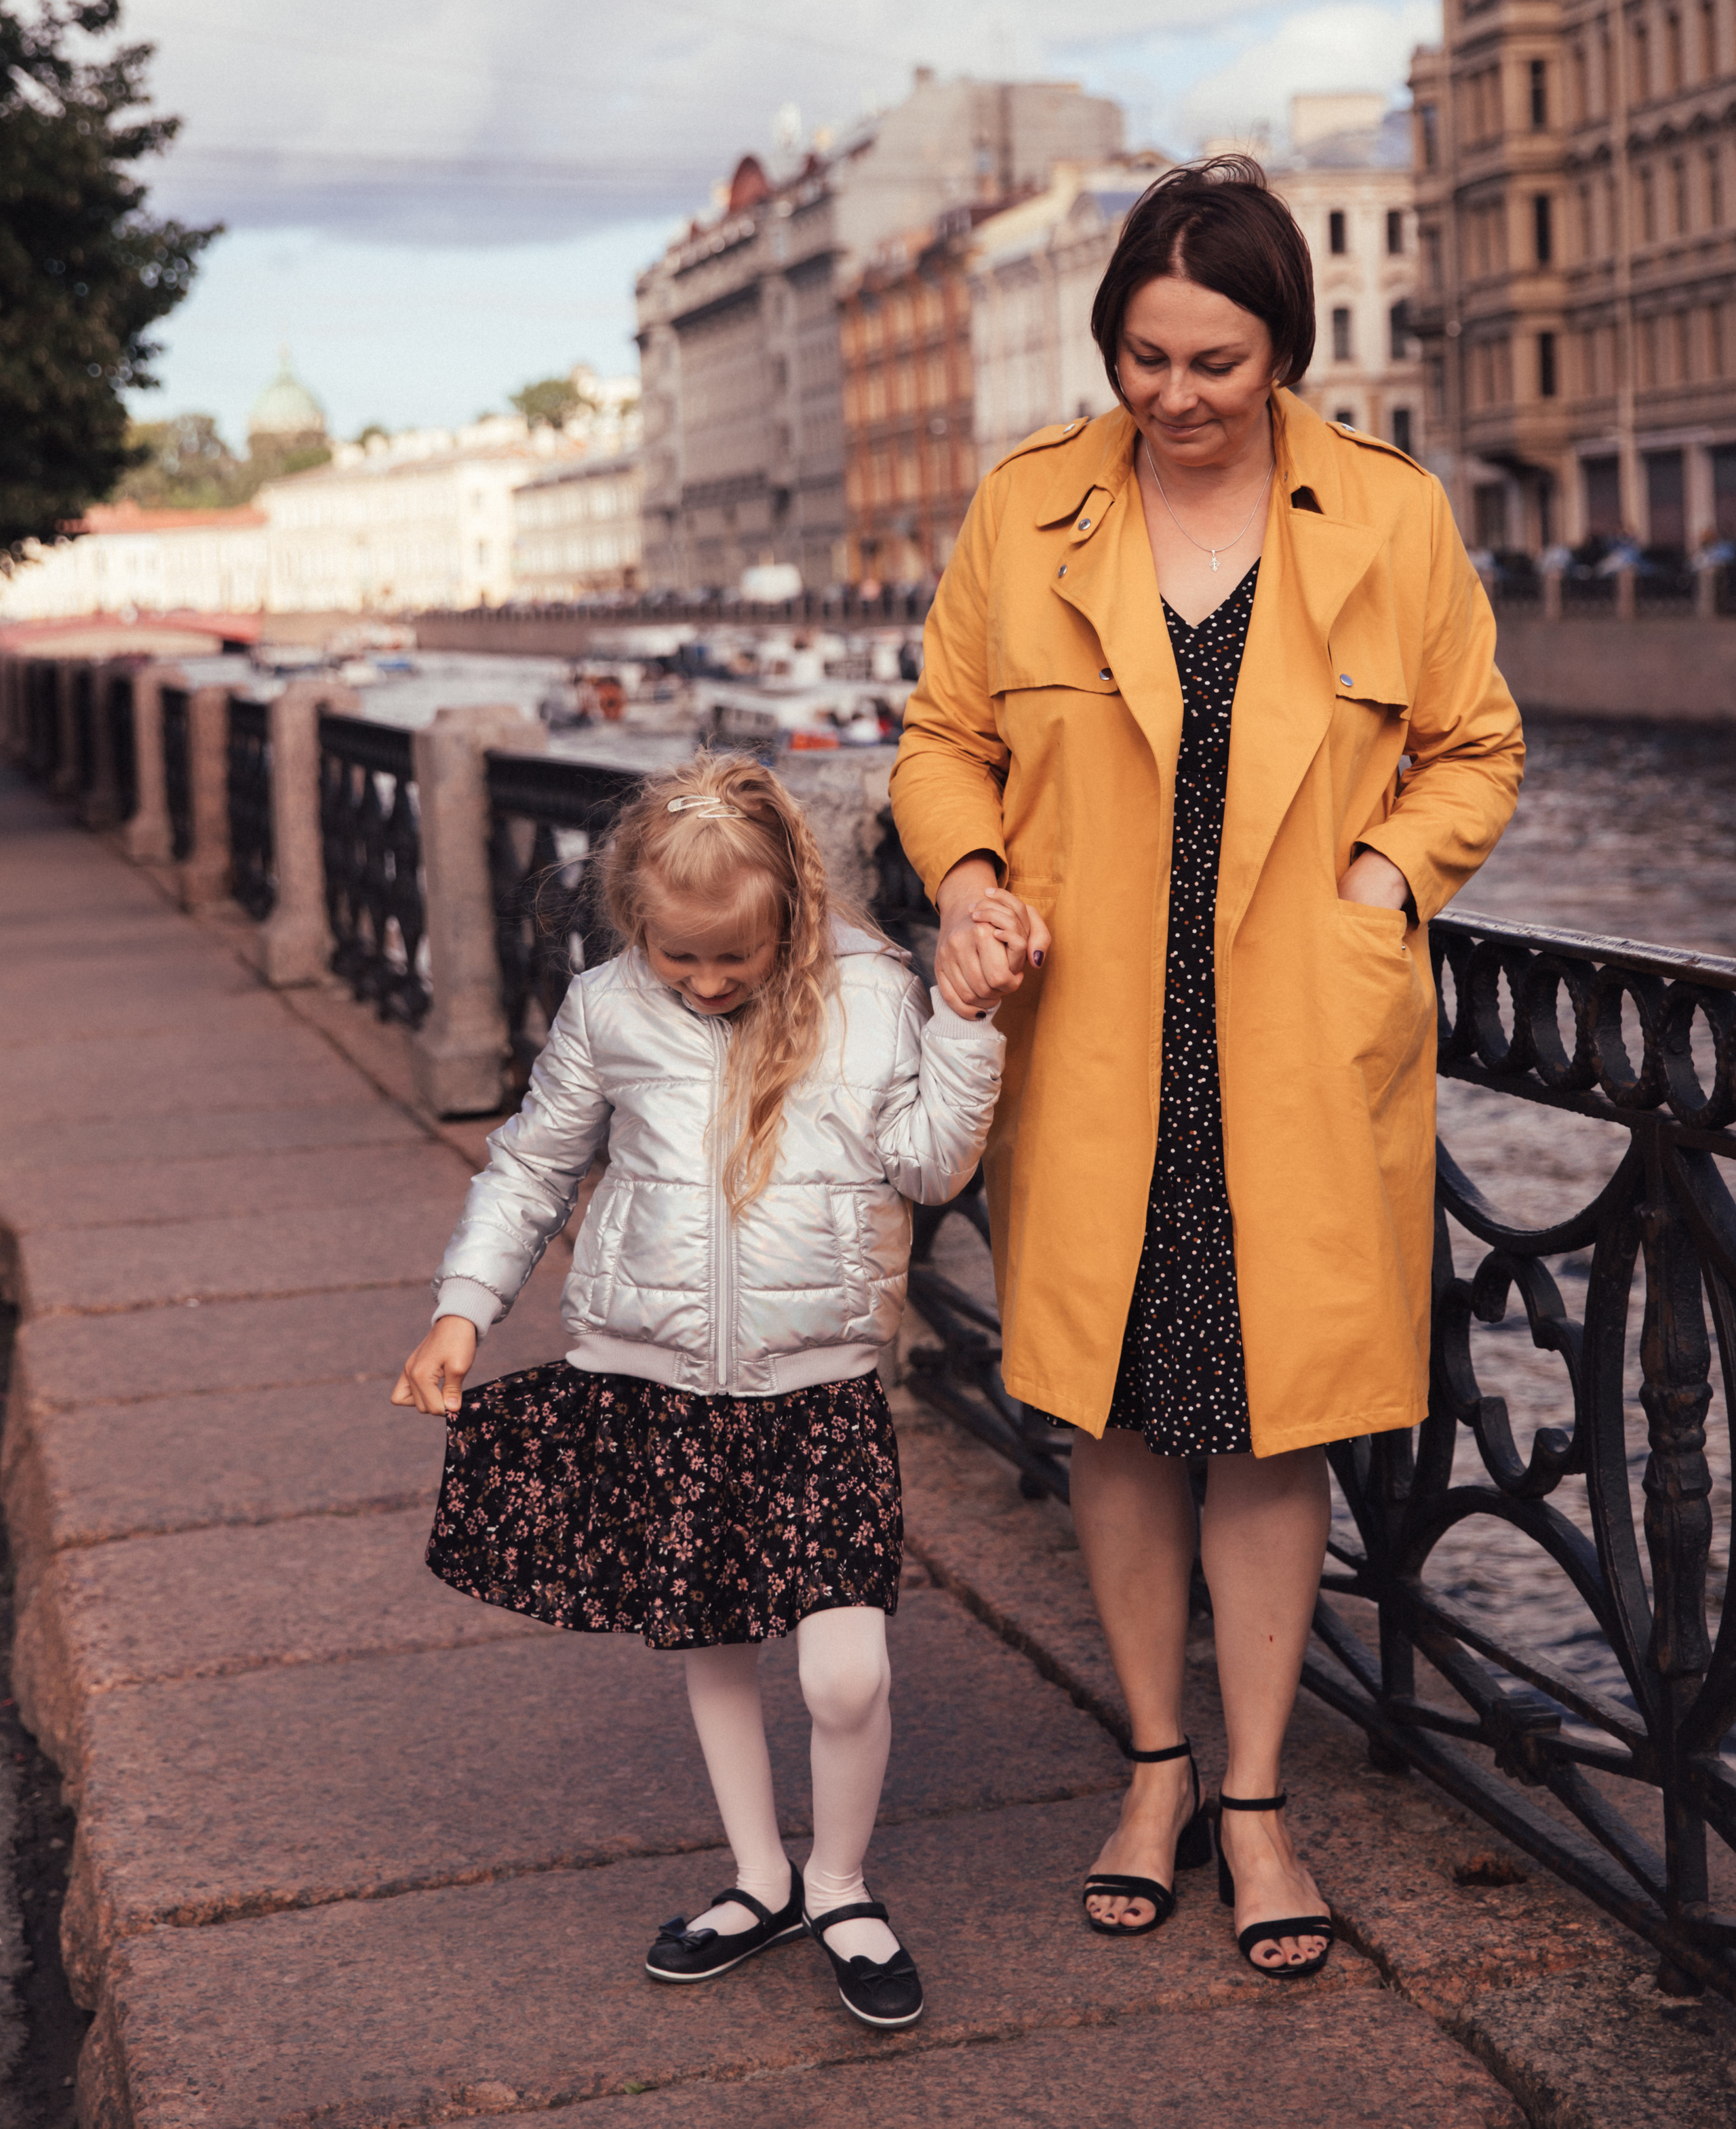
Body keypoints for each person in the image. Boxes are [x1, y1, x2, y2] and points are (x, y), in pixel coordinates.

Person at [890, 157, 1523, 1979]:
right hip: (1093, 1035)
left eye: (1215, 364)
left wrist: (1385, 877)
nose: (1174, 397)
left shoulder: (1388, 517)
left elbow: (1475, 747)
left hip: (1296, 1043)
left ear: (1284, 355)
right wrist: (973, 875)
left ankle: (1251, 1798)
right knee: (1110, 1410)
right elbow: (942, 740)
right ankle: (1150, 1770)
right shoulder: (1027, 514)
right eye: (1144, 358)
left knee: (1270, 1417)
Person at [392, 752, 1004, 2032]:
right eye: (683, 959)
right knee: (711, 1635)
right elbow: (530, 1168)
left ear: (791, 909)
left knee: (845, 1674)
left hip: (818, 1386)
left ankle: (839, 1883)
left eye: (739, 958)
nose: (711, 983)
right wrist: (463, 1310)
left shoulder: (872, 992)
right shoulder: (609, 1006)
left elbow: (932, 1166)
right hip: (662, 1380)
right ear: (636, 923)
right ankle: (761, 1877)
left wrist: (969, 1025)